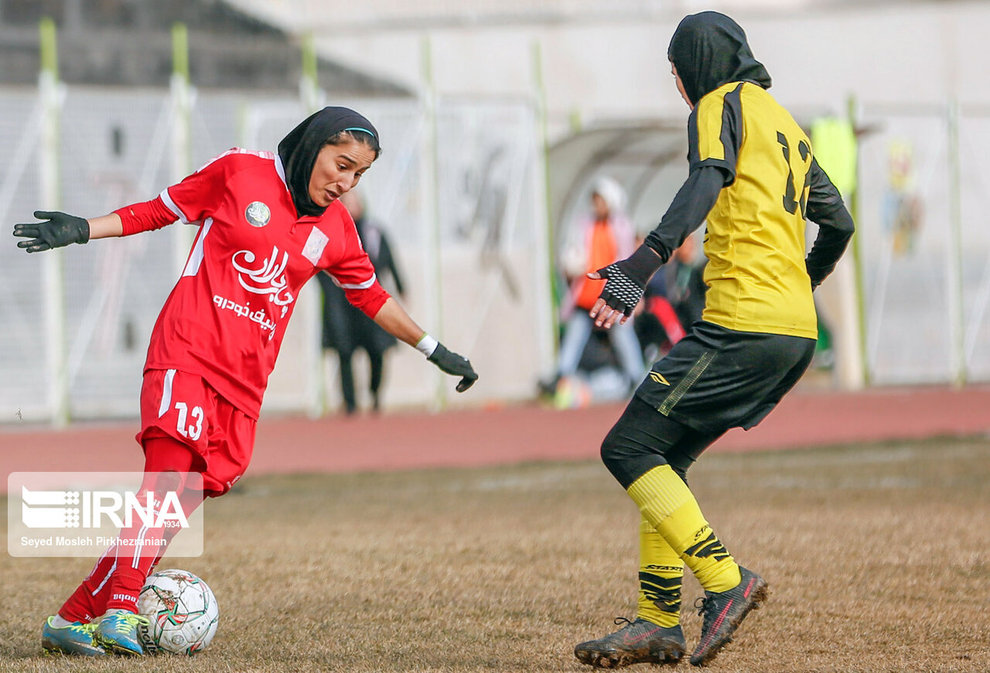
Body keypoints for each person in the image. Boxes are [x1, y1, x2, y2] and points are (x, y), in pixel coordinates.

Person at [13, 106, 478, 657]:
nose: (346, 182)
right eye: (341, 164)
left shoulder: (337, 229)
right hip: (184, 352)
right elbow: (159, 210)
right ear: (312, 146)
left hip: (244, 386)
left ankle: (70, 620)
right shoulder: (239, 172)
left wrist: (434, 349)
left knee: (175, 506)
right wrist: (83, 230)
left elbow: (369, 296)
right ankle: (120, 609)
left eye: (358, 174)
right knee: (164, 480)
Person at [573, 12, 854, 668]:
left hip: (743, 323)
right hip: (789, 330)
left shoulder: (718, 102)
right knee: (660, 454)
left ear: (698, 65)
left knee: (627, 446)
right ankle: (657, 621)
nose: (677, 83)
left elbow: (706, 178)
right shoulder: (782, 121)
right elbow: (838, 222)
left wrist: (642, 263)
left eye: (676, 69)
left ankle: (727, 582)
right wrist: (798, 285)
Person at [546, 176, 644, 395]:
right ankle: (561, 374)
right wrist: (571, 263)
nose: (597, 205)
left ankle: (636, 377)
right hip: (587, 294)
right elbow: (574, 253)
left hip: (612, 294)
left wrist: (633, 295)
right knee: (575, 335)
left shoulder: (622, 227)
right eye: (595, 200)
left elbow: (629, 261)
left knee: (623, 336)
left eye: (601, 200)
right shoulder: (584, 224)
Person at [317, 189, 405, 414]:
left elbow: (390, 261)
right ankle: (350, 404)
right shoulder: (327, 231)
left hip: (368, 297)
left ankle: (375, 394)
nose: (351, 206)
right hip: (340, 301)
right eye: (346, 202)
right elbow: (314, 264)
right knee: (344, 351)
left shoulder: (374, 231)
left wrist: (402, 287)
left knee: (377, 349)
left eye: (354, 201)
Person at [635, 234, 707, 361]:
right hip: (668, 324)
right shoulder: (669, 269)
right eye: (686, 246)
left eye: (691, 246)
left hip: (688, 323)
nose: (689, 249)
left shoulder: (695, 272)